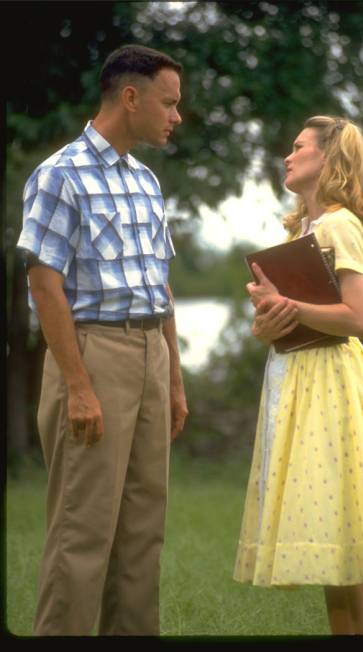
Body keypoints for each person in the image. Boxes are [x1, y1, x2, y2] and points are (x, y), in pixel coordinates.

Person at [16, 44, 188, 636]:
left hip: (151, 354)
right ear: (130, 97)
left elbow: (159, 287)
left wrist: (174, 377)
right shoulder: (58, 176)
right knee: (83, 534)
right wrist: (79, 387)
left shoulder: (146, 181)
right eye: (169, 103)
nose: (176, 116)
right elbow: (44, 285)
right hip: (94, 355)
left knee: (143, 534)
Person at [233, 115, 363, 635]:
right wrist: (269, 320)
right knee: (333, 556)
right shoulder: (302, 231)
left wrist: (289, 304)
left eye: (299, 147)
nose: (288, 155)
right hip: (298, 378)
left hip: (331, 383)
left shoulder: (340, 225)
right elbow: (298, 313)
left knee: (351, 548)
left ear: (327, 159)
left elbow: (360, 318)